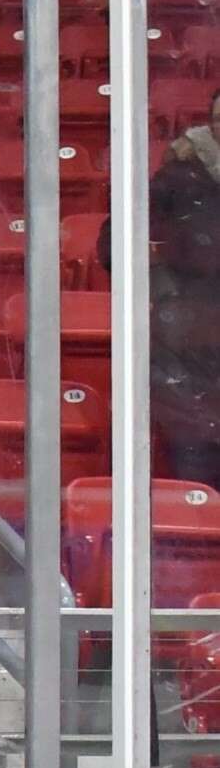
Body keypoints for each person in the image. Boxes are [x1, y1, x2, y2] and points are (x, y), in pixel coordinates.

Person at [147, 87, 220, 482]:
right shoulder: (180, 176)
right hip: (192, 352)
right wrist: (165, 289)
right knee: (197, 488)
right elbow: (117, 243)